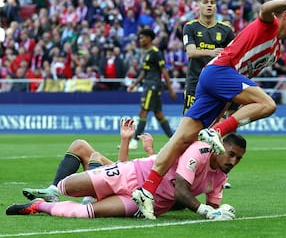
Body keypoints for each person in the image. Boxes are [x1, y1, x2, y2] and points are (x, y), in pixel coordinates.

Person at [132, 0, 286, 219]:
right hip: (219, 72)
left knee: (181, 139)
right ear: (285, 14)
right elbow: (265, 8)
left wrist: (224, 113)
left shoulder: (276, 51)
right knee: (268, 104)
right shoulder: (269, 25)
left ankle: (147, 190)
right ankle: (215, 131)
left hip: (217, 82)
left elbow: (239, 81)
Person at [6, 132, 246, 220]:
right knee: (66, 186)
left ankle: (38, 206)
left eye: (238, 159)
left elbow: (214, 205)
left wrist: (219, 211)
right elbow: (181, 191)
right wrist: (207, 213)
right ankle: (60, 193)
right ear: (220, 147)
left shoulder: (220, 178)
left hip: (144, 201)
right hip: (132, 174)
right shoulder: (199, 150)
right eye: (231, 155)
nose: (233, 162)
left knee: (87, 213)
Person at [21, 119, 154, 203]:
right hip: (130, 173)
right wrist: (126, 140)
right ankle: (53, 191)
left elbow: (158, 175)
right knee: (79, 145)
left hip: (135, 184)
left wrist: (149, 151)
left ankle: (91, 196)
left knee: (96, 156)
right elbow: (124, 168)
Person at [182, 0, 235, 115]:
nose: (209, 5)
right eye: (205, 2)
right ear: (198, 6)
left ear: (216, 6)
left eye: (212, 2)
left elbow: (234, 56)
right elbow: (191, 52)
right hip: (195, 81)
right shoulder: (190, 27)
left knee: (218, 121)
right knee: (189, 120)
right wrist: (211, 52)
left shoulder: (226, 30)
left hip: (217, 82)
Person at [127, 28, 177, 150]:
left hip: (152, 85)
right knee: (159, 114)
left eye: (142, 37)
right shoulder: (147, 53)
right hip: (148, 84)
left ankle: (134, 141)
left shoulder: (155, 52)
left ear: (149, 38)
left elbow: (164, 70)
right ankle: (173, 139)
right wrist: (135, 84)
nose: (140, 40)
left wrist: (170, 89)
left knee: (143, 111)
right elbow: (144, 72)